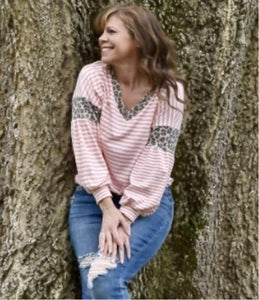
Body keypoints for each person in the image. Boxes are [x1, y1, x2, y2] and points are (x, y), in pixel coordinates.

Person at [68, 3, 189, 299]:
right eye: (102, 32)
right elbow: (85, 144)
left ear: (137, 39)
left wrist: (128, 212)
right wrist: (108, 207)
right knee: (95, 285)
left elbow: (158, 156)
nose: (101, 39)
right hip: (92, 202)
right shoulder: (92, 77)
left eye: (111, 32)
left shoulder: (169, 91)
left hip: (147, 205)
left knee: (105, 280)